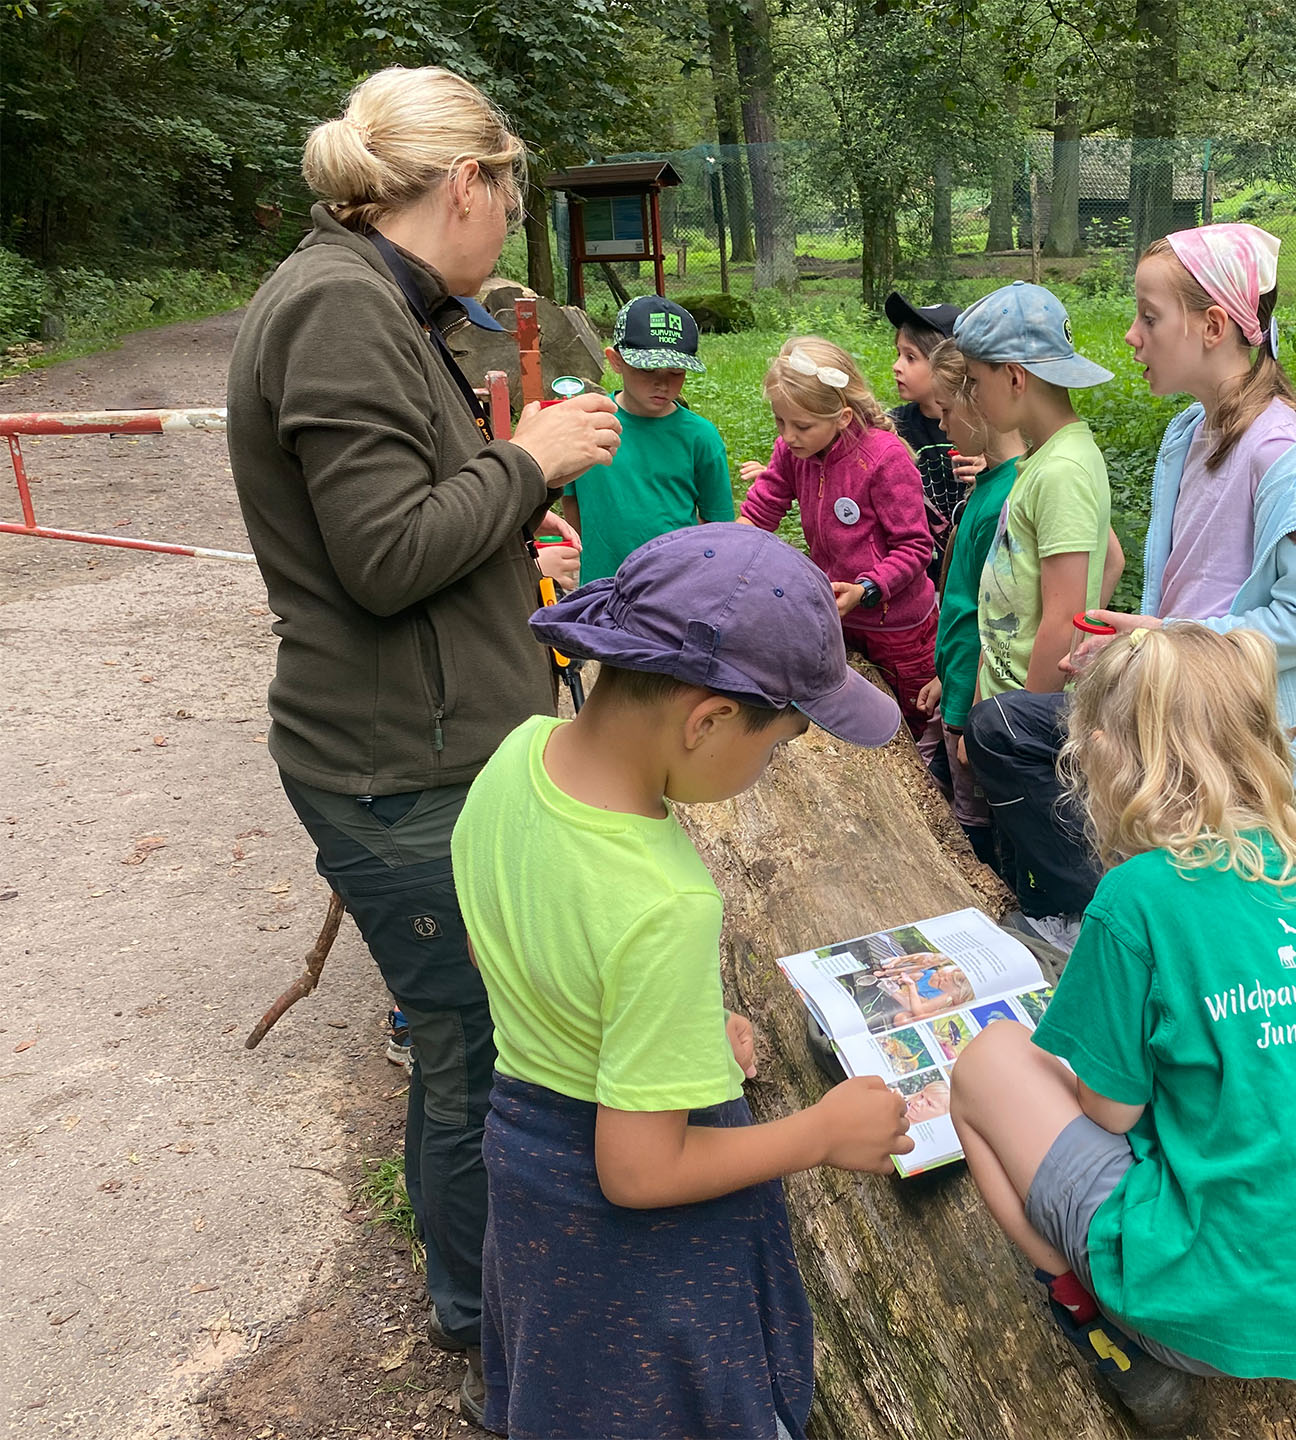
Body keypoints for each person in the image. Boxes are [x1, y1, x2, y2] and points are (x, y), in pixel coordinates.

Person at [226, 66, 621, 1426]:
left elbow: (400, 515)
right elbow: (386, 556)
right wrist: (537, 462)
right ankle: (477, 1310)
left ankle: (492, 1275)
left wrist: (510, 540)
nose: (507, 222)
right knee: (468, 1042)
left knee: (485, 1031)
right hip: (399, 768)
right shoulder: (339, 310)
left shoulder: (371, 299)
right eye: (508, 193)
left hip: (438, 736)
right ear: (469, 184)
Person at [450, 523, 914, 1439]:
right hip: (633, 1245)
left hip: (527, 1171)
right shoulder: (666, 900)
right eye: (775, 746)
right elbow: (638, 1171)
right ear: (706, 721)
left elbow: (496, 951)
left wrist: (677, 1031)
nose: (769, 768)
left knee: (571, 1387)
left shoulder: (516, 758)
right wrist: (820, 1133)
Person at [949, 625, 1296, 1433]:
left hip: (1212, 1297)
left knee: (984, 1065)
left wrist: (1068, 1063)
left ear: (1098, 752)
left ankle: (1091, 1312)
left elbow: (1109, 1114)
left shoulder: (1138, 896)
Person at [967, 225, 1296, 958]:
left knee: (1032, 746)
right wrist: (1134, 645)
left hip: (1231, 725)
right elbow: (1183, 588)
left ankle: (1120, 929)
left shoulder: (1285, 452)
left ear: (1213, 326)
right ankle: (1112, 919)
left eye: (1148, 317)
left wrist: (1160, 642)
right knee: (1007, 730)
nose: (1130, 337)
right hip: (1168, 697)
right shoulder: (1189, 433)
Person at [953, 283, 1113, 951]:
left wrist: (1018, 724)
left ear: (1014, 377)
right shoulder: (1052, 462)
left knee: (1054, 841)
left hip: (1028, 709)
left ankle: (1085, 920)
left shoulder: (1063, 470)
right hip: (1010, 692)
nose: (970, 396)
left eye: (976, 379)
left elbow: (1065, 612)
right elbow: (1113, 556)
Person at [737, 337, 940, 741]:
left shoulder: (883, 458)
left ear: (843, 416)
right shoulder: (792, 452)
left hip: (899, 630)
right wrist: (729, 556)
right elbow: (760, 512)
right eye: (781, 422)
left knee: (915, 722)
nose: (789, 436)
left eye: (802, 426)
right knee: (846, 717)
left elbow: (916, 548)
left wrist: (867, 588)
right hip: (838, 614)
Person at [912, 338, 1023, 864]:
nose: (941, 425)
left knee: (972, 823)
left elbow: (999, 616)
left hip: (976, 702)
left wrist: (976, 707)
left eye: (948, 410)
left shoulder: (1008, 495)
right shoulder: (990, 483)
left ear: (980, 403)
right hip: (956, 685)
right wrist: (943, 675)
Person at [561, 295, 735, 584]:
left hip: (673, 589)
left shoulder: (700, 437)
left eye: (676, 372)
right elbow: (572, 500)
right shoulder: (587, 421)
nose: (662, 383)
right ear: (615, 360)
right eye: (647, 369)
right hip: (601, 587)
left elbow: (717, 525)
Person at [884, 290, 976, 573]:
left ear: (948, 363)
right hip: (915, 575)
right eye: (898, 354)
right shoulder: (892, 427)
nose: (896, 367)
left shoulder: (986, 427)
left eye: (911, 357)